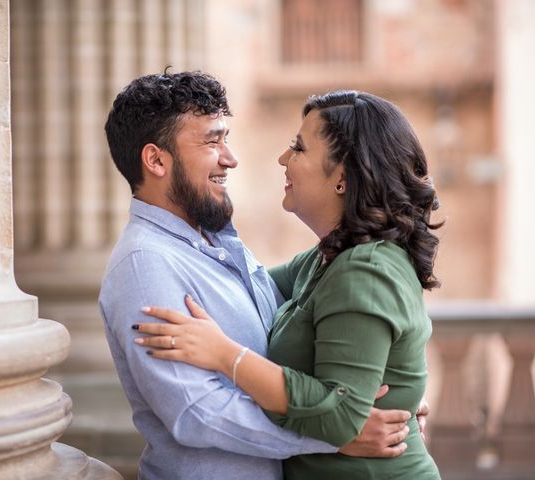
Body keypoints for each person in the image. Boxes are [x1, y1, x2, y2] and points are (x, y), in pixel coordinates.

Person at [100, 73, 417, 480]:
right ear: (156, 160)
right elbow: (196, 412)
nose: (230, 158)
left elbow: (328, 314)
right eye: (212, 141)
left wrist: (395, 397)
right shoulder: (145, 264)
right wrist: (336, 434)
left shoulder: (216, 242)